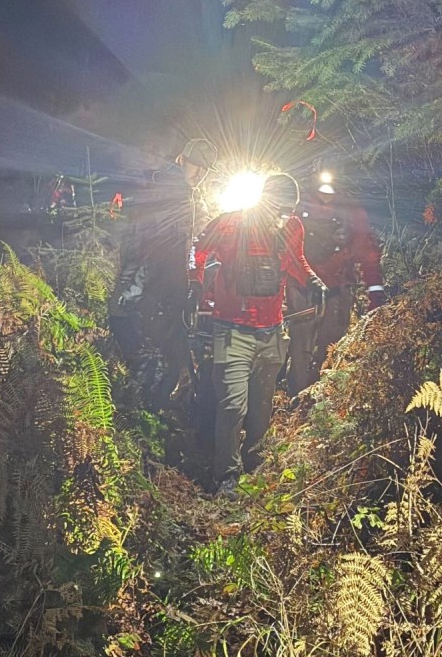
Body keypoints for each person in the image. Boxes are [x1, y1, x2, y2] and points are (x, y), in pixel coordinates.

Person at [188, 173, 327, 493]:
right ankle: (226, 477)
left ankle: (256, 465)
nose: (283, 216)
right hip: (231, 330)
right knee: (232, 406)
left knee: (262, 407)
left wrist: (311, 281)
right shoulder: (230, 223)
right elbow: (198, 249)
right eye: (278, 209)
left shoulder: (292, 227)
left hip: (271, 331)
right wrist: (195, 282)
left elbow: (295, 260)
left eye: (288, 210)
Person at [108, 138, 218, 411]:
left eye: (205, 169)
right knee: (155, 356)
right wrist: (140, 286)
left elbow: (182, 243)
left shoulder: (183, 191)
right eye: (197, 166)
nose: (200, 174)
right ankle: (143, 413)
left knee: (165, 354)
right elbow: (148, 242)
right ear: (183, 159)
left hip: (161, 285)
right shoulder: (169, 188)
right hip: (151, 285)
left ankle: (147, 412)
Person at [286, 168, 385, 397]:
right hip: (302, 288)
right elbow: (284, 250)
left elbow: (367, 253)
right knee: (301, 348)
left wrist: (375, 294)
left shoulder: (350, 211)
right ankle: (297, 399)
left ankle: (323, 399)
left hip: (336, 289)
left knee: (332, 347)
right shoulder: (299, 206)